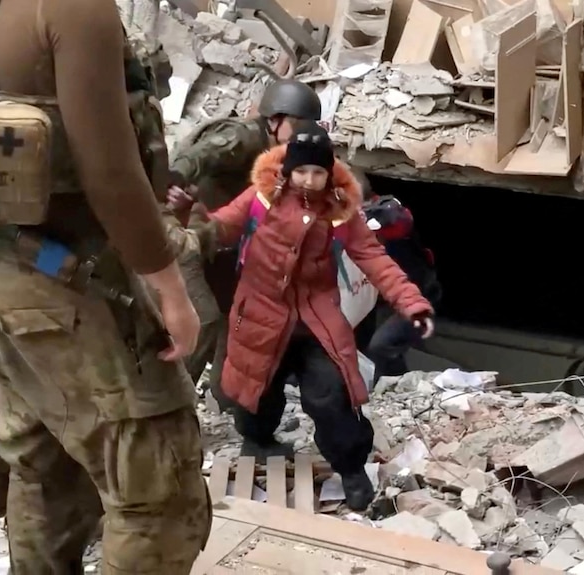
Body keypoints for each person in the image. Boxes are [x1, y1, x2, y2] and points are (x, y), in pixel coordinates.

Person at [0, 0, 210, 572]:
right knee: (159, 497)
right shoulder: (72, 8)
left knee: (45, 470)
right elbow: (110, 171)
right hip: (79, 290)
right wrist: (170, 289)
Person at [189, 122, 434, 510]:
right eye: (301, 171)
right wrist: (192, 216)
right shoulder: (261, 198)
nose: (308, 180)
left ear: (328, 173)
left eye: (317, 172)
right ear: (287, 169)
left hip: (315, 318)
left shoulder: (339, 210)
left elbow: (373, 259)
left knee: (331, 393)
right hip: (262, 313)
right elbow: (220, 228)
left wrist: (411, 302)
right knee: (255, 387)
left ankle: (351, 469)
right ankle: (258, 439)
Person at [167, 79, 322, 411]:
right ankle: (170, 405)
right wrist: (176, 180)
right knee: (204, 318)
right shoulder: (245, 136)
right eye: (298, 125)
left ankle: (226, 398)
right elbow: (200, 155)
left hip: (220, 243)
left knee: (234, 318)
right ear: (275, 119)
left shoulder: (280, 155)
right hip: (187, 236)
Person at [353, 171, 442, 382]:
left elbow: (400, 219)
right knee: (358, 346)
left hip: (417, 294)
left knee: (381, 345)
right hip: (374, 296)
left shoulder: (388, 214)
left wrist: (366, 219)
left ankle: (395, 388)